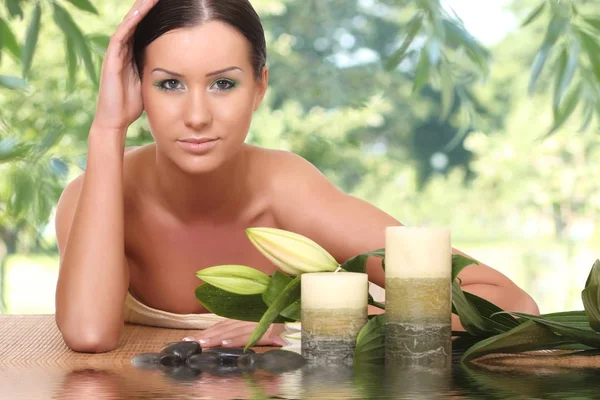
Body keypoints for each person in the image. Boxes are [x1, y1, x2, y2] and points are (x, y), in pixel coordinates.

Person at [54, 0, 539, 353]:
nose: (197, 115)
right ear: (137, 86)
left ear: (259, 86)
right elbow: (89, 334)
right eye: (169, 84)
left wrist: (307, 321)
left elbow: (509, 304)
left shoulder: (288, 191)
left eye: (223, 83)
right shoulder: (92, 195)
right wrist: (107, 127)